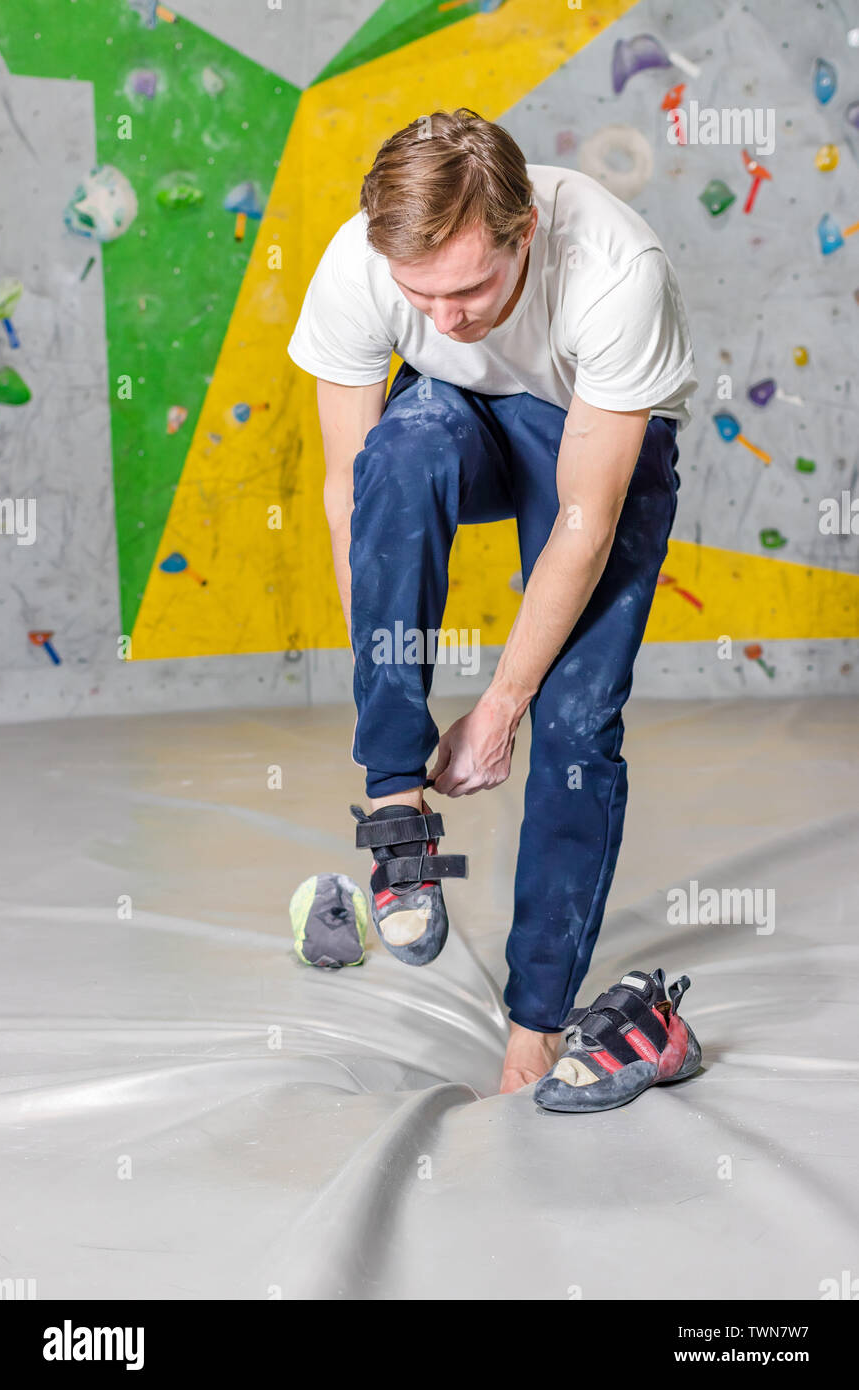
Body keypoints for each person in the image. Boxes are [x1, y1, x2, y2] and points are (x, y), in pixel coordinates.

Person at [287, 108, 702, 1108]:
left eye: (472, 287)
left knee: (571, 723)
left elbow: (581, 522)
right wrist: (393, 721)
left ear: (523, 235)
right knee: (401, 447)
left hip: (596, 445)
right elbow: (352, 493)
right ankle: (394, 808)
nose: (449, 317)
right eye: (420, 295)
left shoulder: (612, 270)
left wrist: (497, 709)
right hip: (460, 423)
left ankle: (534, 1026)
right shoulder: (360, 264)